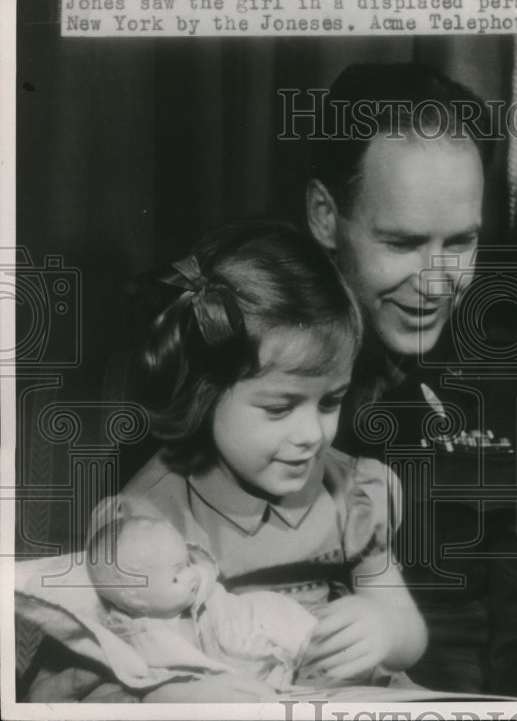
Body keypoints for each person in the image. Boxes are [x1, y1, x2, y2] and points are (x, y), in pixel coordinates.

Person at [23, 221, 426, 701]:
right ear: (206, 394)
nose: (312, 435)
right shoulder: (152, 520)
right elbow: (97, 664)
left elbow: (408, 632)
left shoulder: (350, 490)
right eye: (279, 408)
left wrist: (386, 629)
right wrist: (168, 697)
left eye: (329, 402)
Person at [306, 63, 517, 698]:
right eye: (401, 243)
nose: (436, 282)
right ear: (325, 215)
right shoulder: (249, 361)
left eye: (459, 243)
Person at [87, 517, 317, 689]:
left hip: (243, 629)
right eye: (176, 576)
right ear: (134, 599)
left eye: (187, 563)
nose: (191, 575)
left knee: (272, 611)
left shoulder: (199, 593)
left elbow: (228, 609)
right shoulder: (143, 637)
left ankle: (313, 647)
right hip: (224, 685)